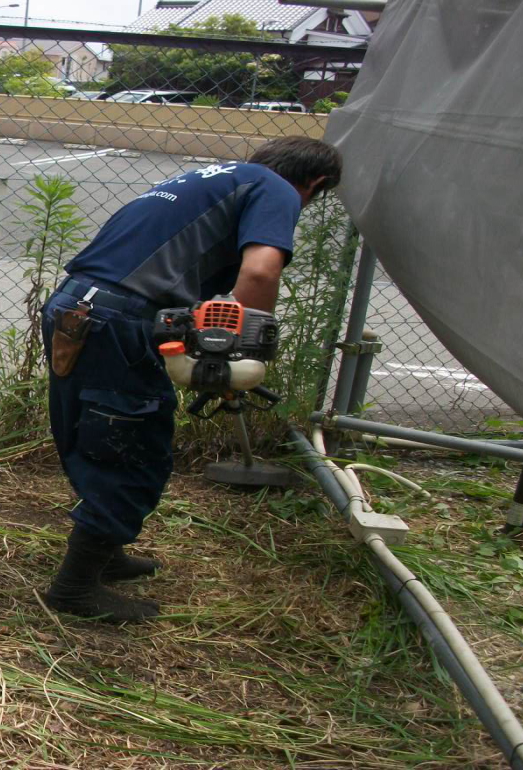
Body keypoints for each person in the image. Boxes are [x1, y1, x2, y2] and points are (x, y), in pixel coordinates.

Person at [39, 136, 342, 624]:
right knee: (131, 443)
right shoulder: (278, 189)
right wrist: (237, 344)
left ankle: (106, 553)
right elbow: (261, 272)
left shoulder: (217, 177)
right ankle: (74, 588)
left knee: (98, 435)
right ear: (317, 184)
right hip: (119, 319)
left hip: (77, 306)